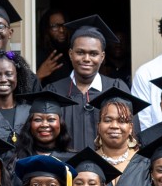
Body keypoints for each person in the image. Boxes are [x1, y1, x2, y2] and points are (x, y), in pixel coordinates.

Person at [45, 16, 133, 152]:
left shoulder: (117, 88)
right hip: (65, 170)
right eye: (80, 52)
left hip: (108, 170)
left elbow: (132, 135)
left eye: (93, 53)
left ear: (102, 57)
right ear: (70, 54)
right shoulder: (53, 91)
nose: (86, 59)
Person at [89, 92, 152, 186]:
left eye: (122, 121)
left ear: (130, 127)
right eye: (108, 120)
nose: (114, 126)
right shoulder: (89, 162)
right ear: (99, 126)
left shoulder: (146, 164)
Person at [15, 89, 81, 159]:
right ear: (30, 124)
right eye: (38, 120)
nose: (44, 124)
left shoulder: (73, 159)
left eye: (51, 120)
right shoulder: (18, 159)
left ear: (60, 124)